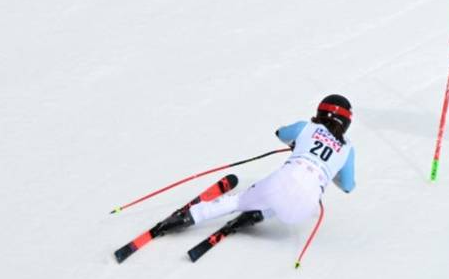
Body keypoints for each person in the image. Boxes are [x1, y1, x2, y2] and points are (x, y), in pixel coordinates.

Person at [149, 94, 357, 236]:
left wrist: (298, 146)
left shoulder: (308, 127)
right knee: (289, 195)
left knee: (239, 200)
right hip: (302, 210)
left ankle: (187, 217)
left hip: (280, 184)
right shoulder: (348, 150)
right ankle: (258, 214)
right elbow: (348, 186)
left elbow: (282, 133)